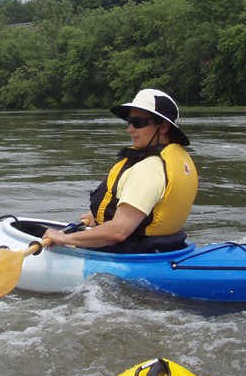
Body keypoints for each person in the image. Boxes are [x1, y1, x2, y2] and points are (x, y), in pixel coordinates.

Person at [44, 88, 198, 254]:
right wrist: (97, 215)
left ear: (163, 127)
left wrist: (65, 239)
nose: (130, 129)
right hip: (164, 249)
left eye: (138, 122)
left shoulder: (149, 169)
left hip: (132, 254)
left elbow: (118, 231)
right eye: (129, 121)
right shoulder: (177, 162)